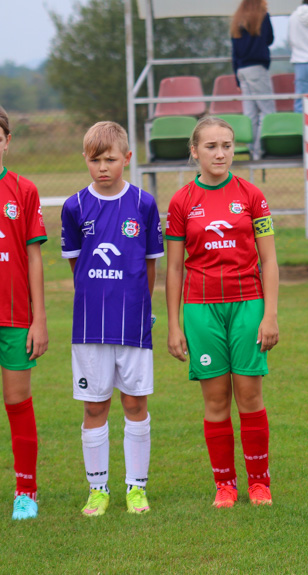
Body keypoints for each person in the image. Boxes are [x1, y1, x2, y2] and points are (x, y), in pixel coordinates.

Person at [165, 117, 279, 509]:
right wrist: (175, 325)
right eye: (211, 146)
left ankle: (259, 483)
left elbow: (269, 261)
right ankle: (225, 485)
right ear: (194, 151)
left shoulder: (252, 196)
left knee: (249, 395)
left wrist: (271, 314)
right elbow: (175, 268)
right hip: (201, 310)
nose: (220, 153)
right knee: (215, 400)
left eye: (227, 145)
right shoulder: (181, 201)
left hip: (249, 304)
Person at [60, 121, 163, 517]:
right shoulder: (74, 207)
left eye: (111, 159)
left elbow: (150, 267)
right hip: (89, 326)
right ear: (85, 159)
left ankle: (136, 489)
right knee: (93, 408)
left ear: (127, 159)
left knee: (135, 403)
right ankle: (98, 490)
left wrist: (139, 306)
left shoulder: (143, 203)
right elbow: (77, 267)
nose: (103, 167)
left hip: (133, 324)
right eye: (95, 159)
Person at [0, 106, 48, 521]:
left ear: (6, 140)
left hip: (15, 316)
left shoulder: (23, 190)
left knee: (18, 401)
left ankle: (26, 493)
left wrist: (40, 319)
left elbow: (34, 258)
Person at [231, 0, 276, 160]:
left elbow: (234, 53)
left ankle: (252, 150)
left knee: (250, 114)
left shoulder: (238, 19)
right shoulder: (263, 17)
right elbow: (270, 39)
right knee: (267, 111)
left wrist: (237, 79)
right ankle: (260, 150)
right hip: (257, 68)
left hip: (241, 70)